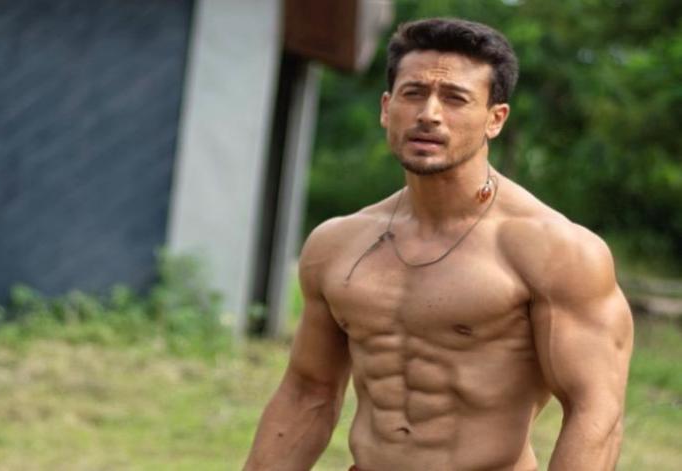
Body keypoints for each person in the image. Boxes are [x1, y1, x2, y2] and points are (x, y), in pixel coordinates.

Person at [243, 17, 633, 471]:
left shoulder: (553, 250)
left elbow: (595, 414)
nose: (429, 114)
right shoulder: (337, 244)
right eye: (413, 93)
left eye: (454, 98)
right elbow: (307, 393)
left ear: (495, 119)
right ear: (386, 108)